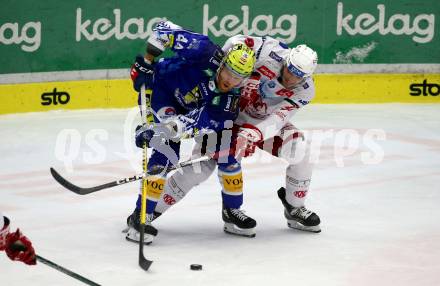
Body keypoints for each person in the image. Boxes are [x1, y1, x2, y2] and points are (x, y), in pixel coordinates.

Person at [152, 33, 321, 237]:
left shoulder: (305, 90)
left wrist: (252, 134)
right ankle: (149, 210)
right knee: (199, 169)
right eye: (290, 70)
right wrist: (232, 76)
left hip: (258, 123)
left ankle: (294, 208)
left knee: (301, 152)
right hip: (224, 114)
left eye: (298, 76)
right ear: (286, 60)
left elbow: (279, 118)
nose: (291, 78)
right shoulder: (271, 51)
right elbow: (237, 42)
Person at [125, 21, 257, 243]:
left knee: (227, 152)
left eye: (239, 78)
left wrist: (158, 130)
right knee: (165, 155)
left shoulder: (227, 102)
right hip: (160, 90)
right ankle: (141, 217)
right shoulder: (204, 50)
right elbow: (163, 28)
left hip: (185, 113)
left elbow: (193, 123)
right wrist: (147, 62)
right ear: (222, 62)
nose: (231, 81)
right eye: (229, 72)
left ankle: (232, 211)